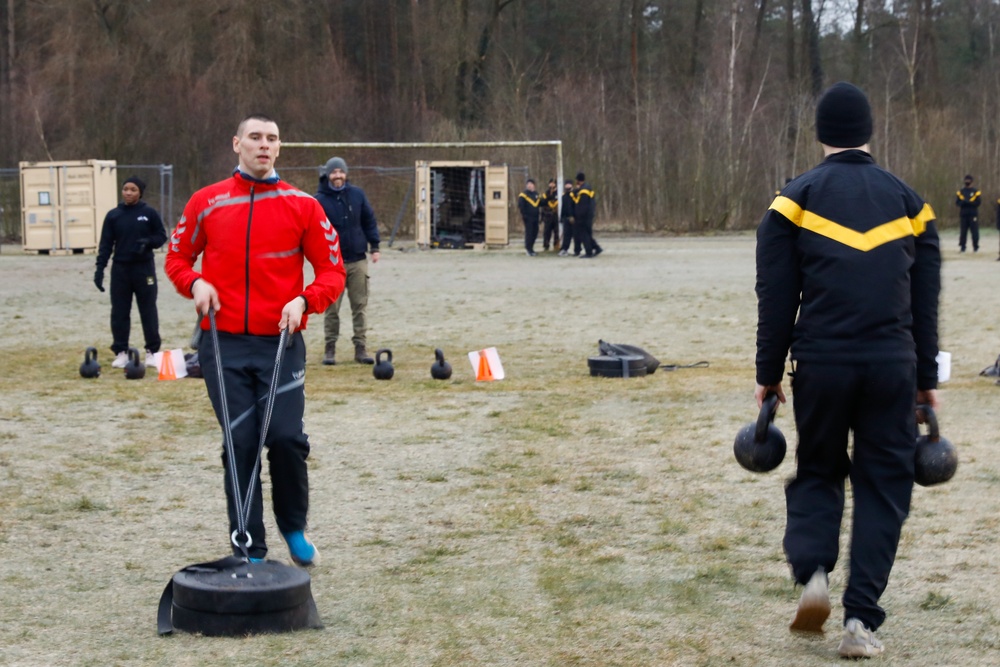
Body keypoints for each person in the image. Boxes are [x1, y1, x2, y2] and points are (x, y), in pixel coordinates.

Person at [755, 82, 940, 659]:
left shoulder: (793, 199)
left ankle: (813, 574)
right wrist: (926, 382)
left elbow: (776, 294)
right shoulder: (910, 203)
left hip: (822, 363)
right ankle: (860, 620)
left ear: (820, 134)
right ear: (868, 132)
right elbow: (925, 303)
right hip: (892, 365)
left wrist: (768, 373)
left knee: (818, 469)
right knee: (885, 488)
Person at [165, 114, 346, 566]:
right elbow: (177, 256)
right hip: (222, 345)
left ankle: (294, 527)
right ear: (237, 144)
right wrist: (195, 284)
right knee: (240, 443)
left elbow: (332, 272)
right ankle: (249, 546)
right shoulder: (206, 201)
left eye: (272, 139)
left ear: (279, 148)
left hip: (280, 343)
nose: (263, 145)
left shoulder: (304, 205)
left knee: (285, 439)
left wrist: (305, 301)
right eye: (255, 137)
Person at [94, 176, 167, 369]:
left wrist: (147, 242)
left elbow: (161, 236)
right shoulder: (113, 215)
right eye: (125, 189)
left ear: (140, 192)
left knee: (148, 310)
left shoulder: (149, 213)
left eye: (133, 189)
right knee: (119, 312)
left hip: (144, 269)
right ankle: (121, 352)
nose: (128, 193)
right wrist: (100, 269)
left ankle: (152, 352)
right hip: (121, 270)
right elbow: (106, 245)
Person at [316, 157, 380, 366]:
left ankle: (360, 348)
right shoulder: (318, 201)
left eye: (341, 172)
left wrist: (375, 246)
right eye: (333, 173)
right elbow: (313, 231)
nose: (338, 176)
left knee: (359, 306)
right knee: (332, 308)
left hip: (358, 260)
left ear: (346, 174)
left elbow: (369, 220)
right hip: (332, 264)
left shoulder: (357, 195)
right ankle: (330, 348)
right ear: (327, 175)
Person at [572, 172, 603, 258]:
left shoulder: (584, 191)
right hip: (588, 215)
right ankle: (597, 248)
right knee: (587, 234)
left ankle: (589, 252)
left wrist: (579, 216)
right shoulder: (588, 188)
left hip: (584, 216)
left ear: (578, 180)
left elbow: (583, 205)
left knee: (584, 234)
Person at [955, 174, 981, 252]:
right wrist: (966, 202)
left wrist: (967, 202)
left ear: (972, 182)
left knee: (975, 232)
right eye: (966, 180)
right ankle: (963, 247)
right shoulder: (961, 192)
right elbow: (958, 203)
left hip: (973, 215)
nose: (967, 182)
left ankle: (975, 247)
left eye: (969, 180)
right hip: (963, 215)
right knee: (963, 232)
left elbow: (978, 203)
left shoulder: (976, 192)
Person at [517, 178, 541, 256]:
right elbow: (521, 206)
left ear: (534, 185)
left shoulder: (536, 194)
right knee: (529, 233)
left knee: (535, 232)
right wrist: (524, 215)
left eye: (531, 184)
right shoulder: (523, 195)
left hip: (536, 217)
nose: (529, 185)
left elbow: (540, 203)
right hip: (528, 217)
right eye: (528, 184)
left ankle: (532, 248)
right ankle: (528, 249)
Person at [540, 179, 560, 251]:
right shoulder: (546, 193)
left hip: (556, 215)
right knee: (547, 231)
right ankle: (546, 245)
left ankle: (556, 245)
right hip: (548, 215)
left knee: (557, 231)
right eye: (550, 183)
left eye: (553, 183)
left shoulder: (559, 193)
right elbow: (542, 203)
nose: (552, 185)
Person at [558, 179, 577, 256]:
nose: (567, 185)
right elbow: (563, 207)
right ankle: (564, 249)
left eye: (569, 184)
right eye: (566, 184)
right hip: (566, 218)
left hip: (574, 218)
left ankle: (577, 250)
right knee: (566, 235)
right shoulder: (564, 195)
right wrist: (562, 217)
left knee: (576, 235)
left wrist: (575, 216)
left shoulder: (575, 194)